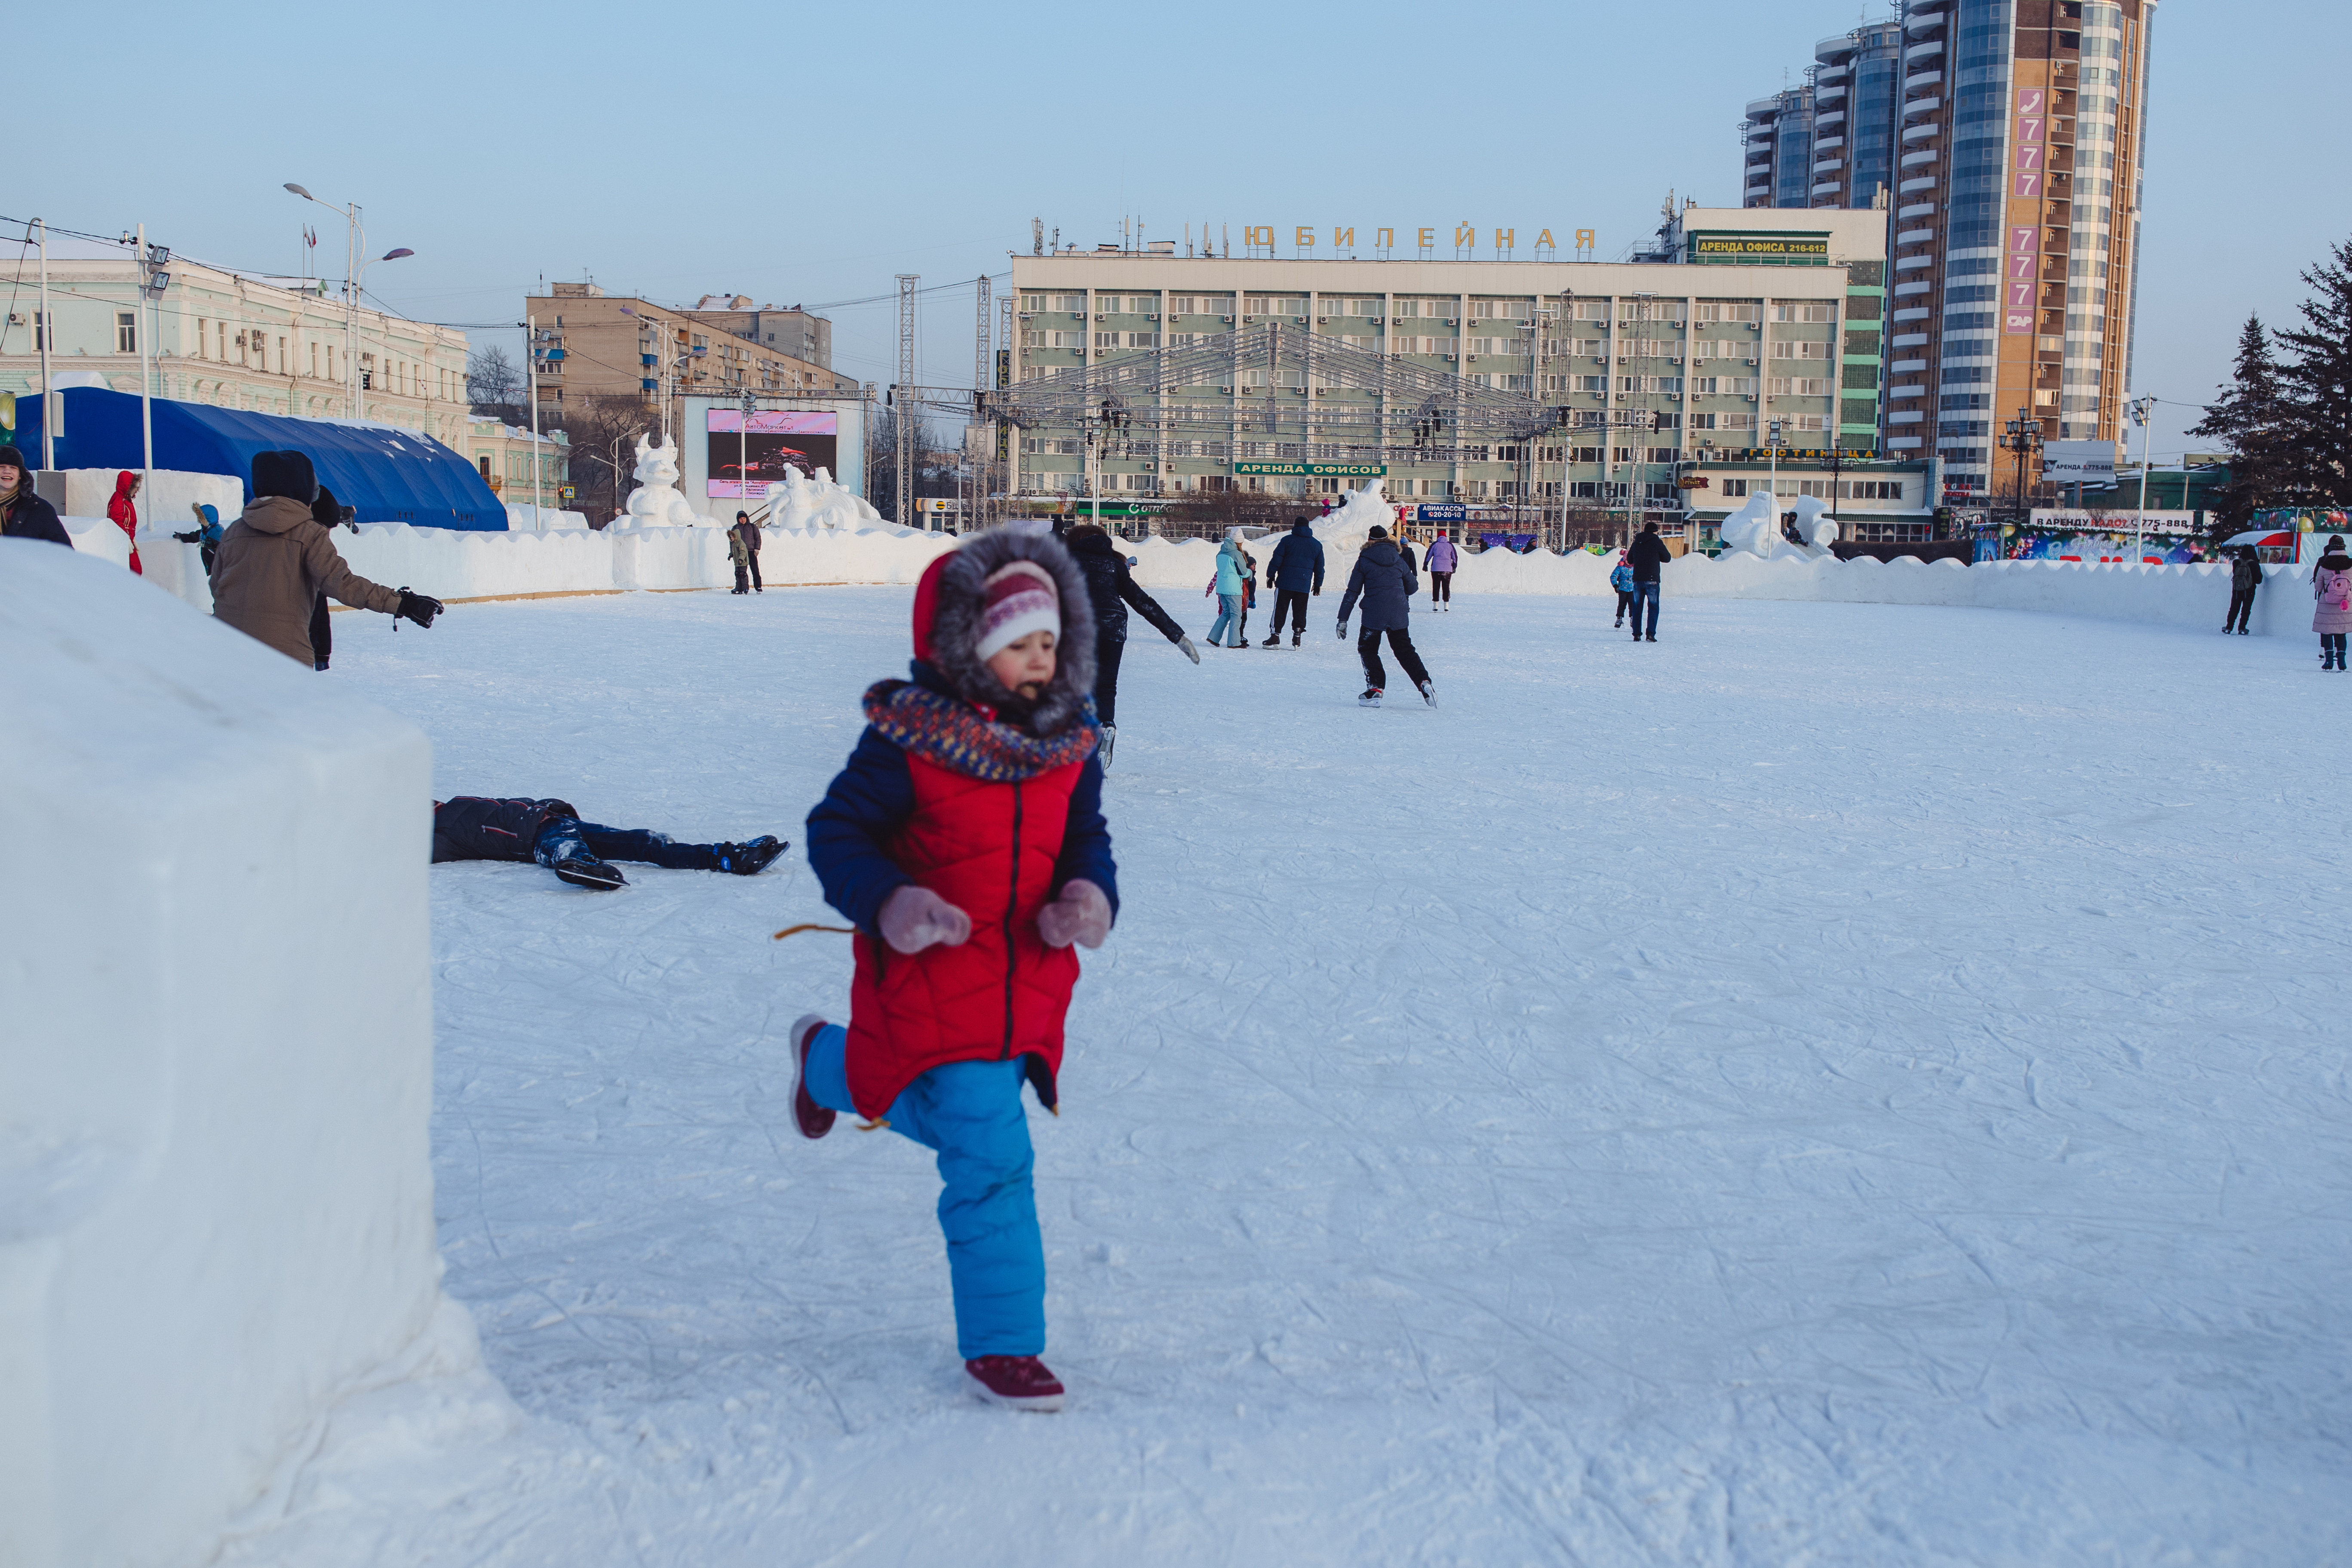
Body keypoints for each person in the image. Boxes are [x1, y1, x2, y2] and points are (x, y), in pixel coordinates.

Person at [795, 526, 1117, 1412]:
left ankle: (823, 1058)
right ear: (968, 649)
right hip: (931, 966)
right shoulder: (912, 741)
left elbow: (1084, 836)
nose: (1040, 661)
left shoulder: (1066, 745)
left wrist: (1089, 891)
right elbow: (837, 832)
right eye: (1020, 643)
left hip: (1027, 979)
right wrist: (892, 901)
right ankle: (1004, 1345)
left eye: (1049, 642)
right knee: (992, 1153)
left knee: (915, 1101)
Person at [211, 449, 440, 666]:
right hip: (284, 655)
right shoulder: (308, 533)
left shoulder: (234, 532)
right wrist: (403, 603)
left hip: (226, 647)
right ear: (300, 490)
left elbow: (217, 585)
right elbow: (342, 584)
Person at [431, 796, 786, 890]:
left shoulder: (451, 805)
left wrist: (551, 805)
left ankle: (730, 857)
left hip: (558, 820)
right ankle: (582, 867)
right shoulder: (436, 836)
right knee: (564, 849)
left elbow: (507, 803)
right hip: (535, 837)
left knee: (647, 842)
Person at [1065, 521, 1198, 767]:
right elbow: (1142, 601)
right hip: (1114, 629)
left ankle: (1097, 733)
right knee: (1106, 688)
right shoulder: (1115, 565)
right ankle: (1103, 743)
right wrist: (1176, 635)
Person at [1337, 523, 1434, 708]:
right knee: (1405, 651)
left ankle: (1376, 689)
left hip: (1374, 613)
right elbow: (1413, 588)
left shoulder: (1364, 560)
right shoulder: (1398, 559)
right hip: (1398, 612)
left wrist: (1343, 619)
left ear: (1370, 541)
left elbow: (1352, 592)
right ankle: (1424, 682)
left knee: (1368, 648)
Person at [1259, 515, 1326, 646]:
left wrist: (1271, 575)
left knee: (1280, 609)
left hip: (1285, 583)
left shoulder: (1287, 541)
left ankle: (1275, 636)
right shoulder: (1317, 545)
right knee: (1300, 610)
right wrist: (1318, 584)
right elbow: (1320, 567)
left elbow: (1277, 559)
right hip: (1303, 584)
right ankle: (1297, 636)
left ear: (1295, 526)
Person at [306, 486, 348, 672]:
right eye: (324, 531)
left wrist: (323, 653)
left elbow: (322, 612)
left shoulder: (318, 560)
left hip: (304, 653)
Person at [0, 445, 71, 546]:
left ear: (20, 475)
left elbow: (63, 550)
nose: (7, 471)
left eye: (13, 468)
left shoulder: (40, 508)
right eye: (1, 467)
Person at [1204, 528, 1250, 647]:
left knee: (1226, 613)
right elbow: (1243, 572)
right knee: (1236, 615)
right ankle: (1234, 643)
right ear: (1239, 542)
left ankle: (1213, 638)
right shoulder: (1236, 554)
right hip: (1233, 589)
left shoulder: (1220, 553)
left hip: (1221, 588)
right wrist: (1250, 573)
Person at [2314, 534, 2352, 672]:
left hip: (2327, 605)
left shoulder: (2324, 566)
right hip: (2345, 605)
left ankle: (2329, 661)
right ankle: (2342, 661)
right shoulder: (2351, 565)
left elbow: (2318, 587)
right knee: (2341, 633)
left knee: (2327, 632)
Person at [1627, 522, 1670, 642]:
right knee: (1653, 607)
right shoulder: (1657, 542)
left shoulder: (1636, 543)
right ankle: (1650, 635)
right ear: (1655, 532)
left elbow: (1630, 559)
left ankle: (1637, 634)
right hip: (1652, 580)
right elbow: (1667, 558)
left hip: (1638, 580)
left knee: (1637, 607)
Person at [173, 502, 224, 576]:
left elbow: (225, 552)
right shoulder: (206, 531)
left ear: (207, 519)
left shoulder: (217, 534)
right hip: (213, 569)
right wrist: (182, 536)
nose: (199, 520)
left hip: (221, 570)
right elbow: (195, 537)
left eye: (201, 518)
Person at [107, 469, 143, 576]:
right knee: (135, 570)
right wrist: (125, 538)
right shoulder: (119, 500)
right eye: (135, 487)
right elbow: (117, 521)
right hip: (123, 539)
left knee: (131, 570)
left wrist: (132, 538)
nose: (137, 490)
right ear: (128, 486)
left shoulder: (125, 499)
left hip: (127, 538)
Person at [2225, 545, 2261, 635]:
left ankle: (2229, 627)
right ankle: (2242, 628)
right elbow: (2259, 580)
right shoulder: (2254, 564)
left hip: (2237, 589)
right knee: (2246, 609)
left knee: (2234, 608)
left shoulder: (2236, 562)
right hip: (2250, 590)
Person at [1425, 530, 1458, 611]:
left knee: (1436, 587)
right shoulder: (1450, 545)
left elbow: (1428, 555)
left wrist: (1425, 564)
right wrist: (1454, 566)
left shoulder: (1435, 544)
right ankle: (1446, 605)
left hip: (1436, 569)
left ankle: (1436, 605)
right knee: (1446, 587)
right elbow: (1455, 557)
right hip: (1447, 569)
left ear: (1438, 537)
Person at [736, 509, 764, 592]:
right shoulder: (736, 528)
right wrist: (733, 553)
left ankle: (758, 586)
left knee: (755, 570)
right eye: (741, 519)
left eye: (744, 518)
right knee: (741, 571)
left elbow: (758, 538)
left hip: (751, 552)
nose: (743, 520)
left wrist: (757, 549)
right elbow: (733, 542)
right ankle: (741, 587)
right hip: (741, 553)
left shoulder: (753, 527)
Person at [1609, 549, 1636, 628]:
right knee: (1622, 604)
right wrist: (1616, 586)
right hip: (1622, 589)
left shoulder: (1635, 568)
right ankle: (1619, 619)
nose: (1629, 561)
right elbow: (1613, 576)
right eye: (1627, 559)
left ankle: (1633, 619)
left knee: (1632, 605)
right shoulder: (1620, 568)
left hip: (1632, 589)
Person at [727, 520, 751, 594]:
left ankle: (745, 588)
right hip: (737, 563)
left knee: (743, 575)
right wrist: (731, 555)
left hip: (742, 563)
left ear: (736, 536)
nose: (731, 538)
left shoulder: (741, 543)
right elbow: (735, 551)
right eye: (730, 537)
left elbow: (743, 552)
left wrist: (741, 559)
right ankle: (739, 588)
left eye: (732, 536)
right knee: (737, 574)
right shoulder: (734, 544)